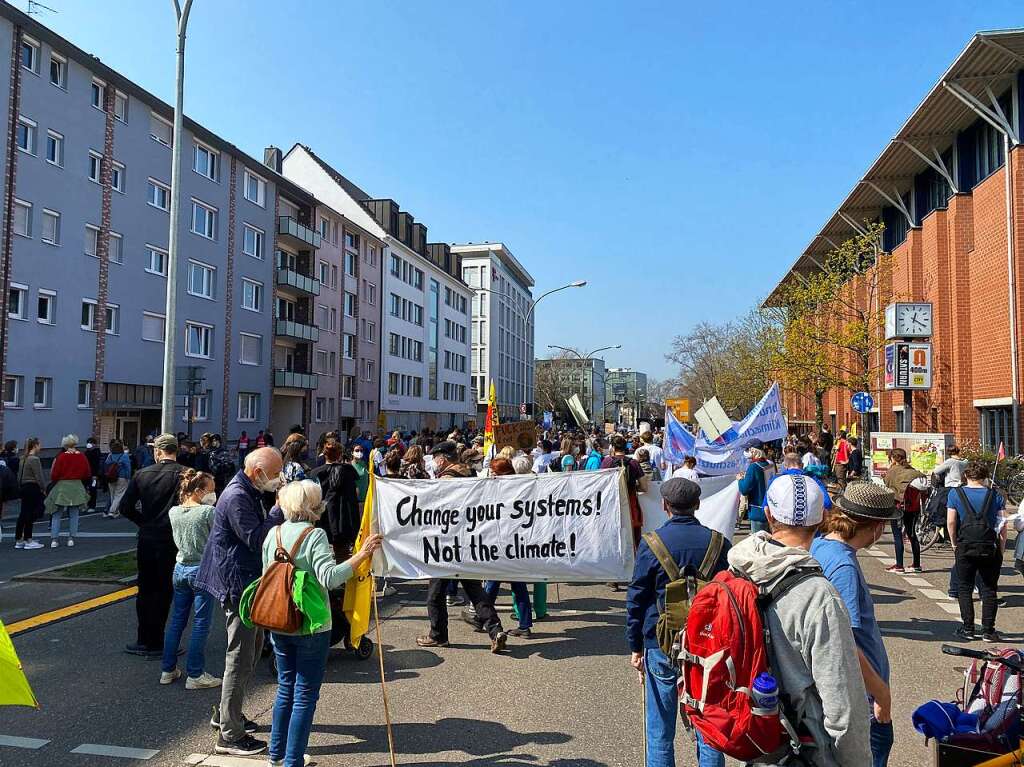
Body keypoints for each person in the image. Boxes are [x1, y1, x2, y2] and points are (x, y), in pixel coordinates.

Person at [727, 473, 871, 765]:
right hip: (806, 746)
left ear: (768, 514)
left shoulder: (737, 571)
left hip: (756, 733)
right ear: (822, 520)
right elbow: (843, 703)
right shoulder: (818, 594)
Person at [263, 480, 382, 767]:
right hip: (311, 624)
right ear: (313, 505)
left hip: (278, 619)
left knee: (285, 688)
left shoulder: (273, 534)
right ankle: (293, 760)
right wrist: (362, 555)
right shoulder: (313, 535)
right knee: (305, 694)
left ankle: (276, 755)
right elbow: (330, 578)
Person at [626, 478, 729, 767]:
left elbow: (636, 600)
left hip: (661, 641)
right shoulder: (719, 543)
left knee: (660, 730)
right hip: (708, 645)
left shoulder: (652, 543)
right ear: (697, 505)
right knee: (708, 725)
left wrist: (635, 646)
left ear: (664, 506)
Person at [195, 447, 285, 756]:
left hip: (246, 581)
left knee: (251, 650)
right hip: (237, 584)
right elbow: (257, 538)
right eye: (275, 475)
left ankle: (226, 714)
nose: (278, 480)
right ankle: (229, 736)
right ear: (256, 472)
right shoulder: (237, 496)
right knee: (241, 655)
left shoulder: (247, 490)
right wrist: (278, 508)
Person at [811, 482, 901, 767]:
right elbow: (845, 642)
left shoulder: (819, 545)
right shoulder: (843, 566)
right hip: (858, 697)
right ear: (876, 527)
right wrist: (881, 692)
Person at [416, 441, 508, 653]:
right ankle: (495, 631)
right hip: (466, 544)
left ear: (444, 458)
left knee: (435, 594)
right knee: (475, 592)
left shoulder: (447, 479)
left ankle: (438, 636)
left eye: (436, 457)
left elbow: (437, 509)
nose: (435, 462)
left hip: (446, 545)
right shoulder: (469, 476)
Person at [119, 433, 185, 656]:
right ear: (177, 450)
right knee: (165, 590)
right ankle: (161, 639)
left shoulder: (142, 475)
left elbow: (125, 507)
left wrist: (143, 522)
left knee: (146, 589)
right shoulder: (185, 474)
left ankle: (144, 639)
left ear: (157, 452)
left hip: (147, 538)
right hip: (172, 539)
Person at [160, 469, 221, 689]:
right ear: (198, 491)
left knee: (177, 620)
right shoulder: (207, 513)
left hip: (180, 568)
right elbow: (219, 539)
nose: (214, 495)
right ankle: (195, 674)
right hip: (202, 570)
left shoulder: (174, 511)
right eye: (211, 490)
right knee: (201, 622)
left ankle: (168, 669)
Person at [947, 461, 1007, 643]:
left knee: (965, 588)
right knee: (989, 588)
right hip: (989, 546)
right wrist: (1001, 549)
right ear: (985, 477)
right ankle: (989, 631)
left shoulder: (955, 493)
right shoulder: (995, 495)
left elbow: (951, 522)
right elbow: (1003, 526)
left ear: (966, 476)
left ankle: (968, 629)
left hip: (965, 545)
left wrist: (954, 543)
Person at [482, 458, 535, 638]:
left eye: (493, 472)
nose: (490, 475)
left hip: (504, 544)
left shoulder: (503, 490)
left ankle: (484, 618)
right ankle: (524, 625)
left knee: (493, 584)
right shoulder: (518, 487)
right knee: (515, 585)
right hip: (513, 545)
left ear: (501, 473)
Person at [308, 440, 360, 557]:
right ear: (339, 454)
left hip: (323, 517)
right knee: (343, 554)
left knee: (323, 553)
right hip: (344, 518)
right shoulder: (349, 470)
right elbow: (356, 493)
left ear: (324, 454)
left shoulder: (316, 473)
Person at [882, 448, 925, 574]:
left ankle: (899, 565)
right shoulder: (913, 471)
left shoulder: (893, 471)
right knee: (912, 535)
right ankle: (916, 564)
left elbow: (887, 484)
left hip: (898, 506)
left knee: (897, 535)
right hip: (914, 507)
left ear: (893, 458)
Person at [45, 434, 92, 548]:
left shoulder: (61, 457)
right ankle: (71, 538)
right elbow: (87, 473)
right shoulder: (82, 456)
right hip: (76, 485)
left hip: (62, 485)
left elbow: (54, 474)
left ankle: (54, 539)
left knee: (56, 513)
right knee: (74, 514)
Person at [602, 434, 646, 548]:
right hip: (631, 506)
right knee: (634, 541)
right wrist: (634, 486)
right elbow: (644, 487)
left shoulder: (607, 462)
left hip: (612, 506)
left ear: (613, 447)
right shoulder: (634, 463)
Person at [14, 437, 45, 549]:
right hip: (32, 487)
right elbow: (39, 476)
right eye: (39, 444)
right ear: (35, 445)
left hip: (23, 487)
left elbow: (19, 475)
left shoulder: (23, 458)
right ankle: (29, 539)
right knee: (30, 514)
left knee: (23, 513)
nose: (40, 447)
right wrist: (43, 488)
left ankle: (19, 539)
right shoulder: (34, 459)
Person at [738, 445, 775, 535]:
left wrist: (740, 480)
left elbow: (744, 489)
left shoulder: (753, 467)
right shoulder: (770, 464)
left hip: (758, 510)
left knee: (758, 544)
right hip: (771, 509)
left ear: (754, 452)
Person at [103, 439, 132, 518]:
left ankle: (114, 511)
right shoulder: (124, 456)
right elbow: (128, 468)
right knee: (119, 495)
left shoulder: (110, 456)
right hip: (122, 477)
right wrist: (128, 477)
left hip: (110, 477)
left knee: (112, 495)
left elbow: (105, 465)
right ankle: (112, 511)